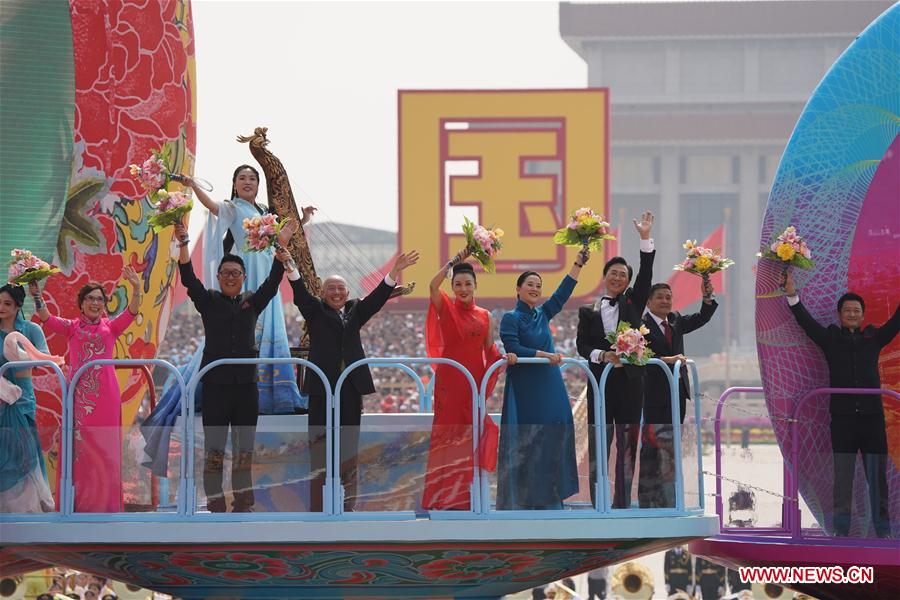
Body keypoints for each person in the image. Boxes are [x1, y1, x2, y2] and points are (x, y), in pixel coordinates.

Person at [141, 166, 314, 478]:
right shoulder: (233, 209)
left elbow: (282, 242)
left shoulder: (264, 212)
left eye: (253, 178)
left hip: (265, 278)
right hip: (248, 277)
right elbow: (211, 207)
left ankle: (271, 396)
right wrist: (193, 185)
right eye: (242, 178)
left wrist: (301, 221)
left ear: (259, 185)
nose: (248, 182)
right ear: (234, 184)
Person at [279, 246, 420, 511]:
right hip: (322, 389)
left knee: (348, 449)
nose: (336, 293)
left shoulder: (356, 310)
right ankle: (319, 506)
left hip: (351, 388)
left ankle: (347, 505)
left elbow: (377, 298)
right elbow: (299, 292)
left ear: (347, 293)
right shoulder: (315, 310)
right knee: (319, 448)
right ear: (323, 293)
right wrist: (289, 265)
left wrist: (395, 271)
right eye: (331, 289)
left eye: (340, 289)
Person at [172, 219, 295, 512]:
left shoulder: (252, 302)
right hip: (215, 386)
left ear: (243, 277)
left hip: (246, 387)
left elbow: (273, 283)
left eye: (236, 273)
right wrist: (184, 242)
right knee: (214, 449)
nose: (230, 277)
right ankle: (215, 503)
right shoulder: (208, 301)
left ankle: (243, 503)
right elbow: (188, 278)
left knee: (244, 449)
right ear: (218, 277)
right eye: (225, 273)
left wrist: (282, 245)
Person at [783, 271, 898, 537]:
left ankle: (883, 530)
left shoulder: (875, 338)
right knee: (843, 477)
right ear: (839, 314)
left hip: (872, 419)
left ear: (863, 314)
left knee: (877, 478)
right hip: (843, 420)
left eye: (856, 310)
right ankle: (841, 530)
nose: (852, 314)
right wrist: (791, 294)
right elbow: (805, 322)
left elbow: (896, 322)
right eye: (847, 310)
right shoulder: (830, 339)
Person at [32, 267, 142, 512]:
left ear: (104, 305)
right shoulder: (71, 327)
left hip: (106, 398)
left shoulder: (111, 327)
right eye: (90, 298)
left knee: (105, 449)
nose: (95, 303)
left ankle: (106, 506)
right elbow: (46, 317)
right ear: (81, 304)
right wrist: (36, 294)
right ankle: (77, 506)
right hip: (78, 399)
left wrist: (136, 287)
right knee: (79, 451)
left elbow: (132, 311)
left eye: (99, 299)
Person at [496, 247, 590, 510]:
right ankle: (527, 500)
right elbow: (513, 348)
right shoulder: (510, 318)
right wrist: (544, 354)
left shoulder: (543, 313)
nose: (535, 289)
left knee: (556, 433)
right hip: (527, 388)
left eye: (538, 286)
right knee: (530, 439)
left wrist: (578, 264)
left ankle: (552, 497)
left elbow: (562, 294)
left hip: (551, 384)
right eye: (530, 284)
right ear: (518, 289)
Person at [576, 211, 655, 508]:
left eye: (623, 275)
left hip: (631, 383)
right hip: (599, 384)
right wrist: (603, 356)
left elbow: (646, 274)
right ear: (605, 276)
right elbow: (582, 345)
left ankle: (622, 503)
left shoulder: (633, 301)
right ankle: (599, 501)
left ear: (628, 282)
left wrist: (645, 238)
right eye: (614, 272)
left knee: (627, 445)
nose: (618, 277)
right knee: (599, 442)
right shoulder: (588, 310)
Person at [422, 251, 511, 510]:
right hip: (450, 382)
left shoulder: (485, 315)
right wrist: (452, 262)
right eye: (458, 284)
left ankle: (467, 499)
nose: (463, 289)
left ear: (475, 286)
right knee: (447, 437)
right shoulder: (446, 307)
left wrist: (504, 358)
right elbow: (432, 286)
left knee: (471, 437)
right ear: (452, 286)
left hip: (474, 381)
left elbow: (489, 349)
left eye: (468, 284)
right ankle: (441, 499)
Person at [638, 279, 717, 508]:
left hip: (677, 392)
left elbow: (701, 318)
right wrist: (667, 360)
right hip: (654, 393)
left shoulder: (675, 320)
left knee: (672, 445)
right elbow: (639, 356)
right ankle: (648, 498)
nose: (665, 301)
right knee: (652, 445)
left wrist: (707, 298)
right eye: (660, 297)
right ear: (649, 302)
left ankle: (670, 497)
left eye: (668, 297)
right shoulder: (640, 326)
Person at [0, 284, 59, 513]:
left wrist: (20, 354)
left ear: (17, 306)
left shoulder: (30, 330)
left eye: (7, 303)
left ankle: (28, 508)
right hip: (1, 399)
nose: (2, 307)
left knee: (24, 452)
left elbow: (45, 358)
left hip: (22, 400)